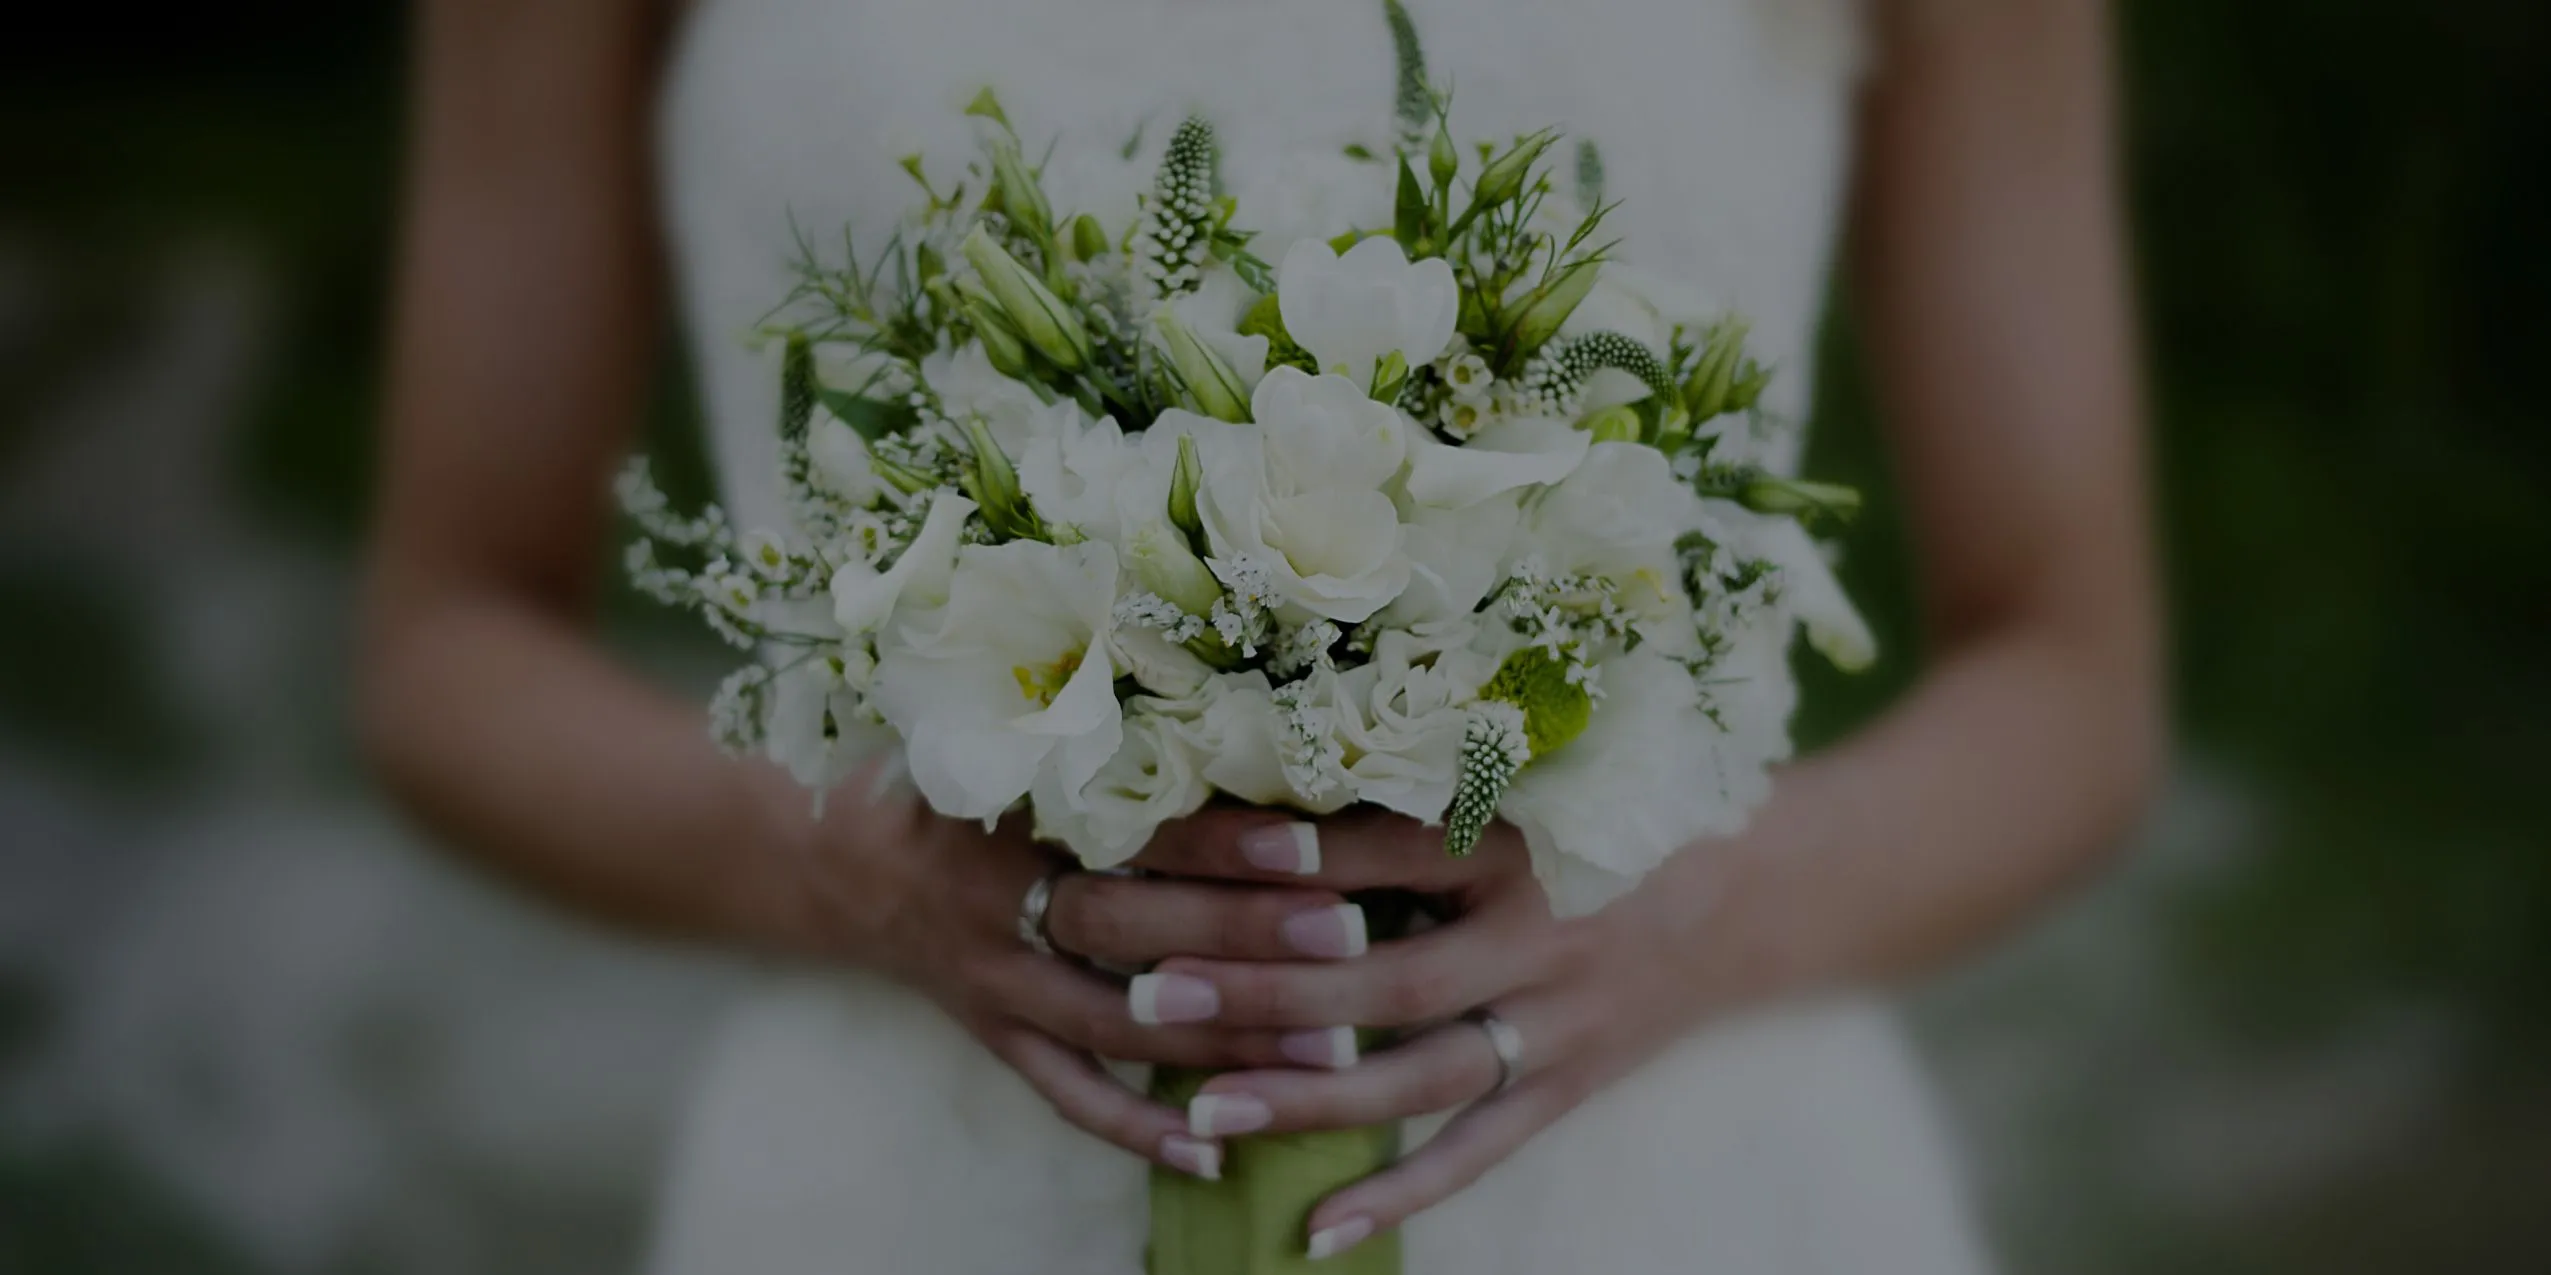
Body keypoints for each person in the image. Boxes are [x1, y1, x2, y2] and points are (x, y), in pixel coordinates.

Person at [359, 0, 2159, 1269]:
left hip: (1678, 1174)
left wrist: (1688, 915)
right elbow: (445, 646)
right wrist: (858, 871)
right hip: (912, 1173)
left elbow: (2073, 679)